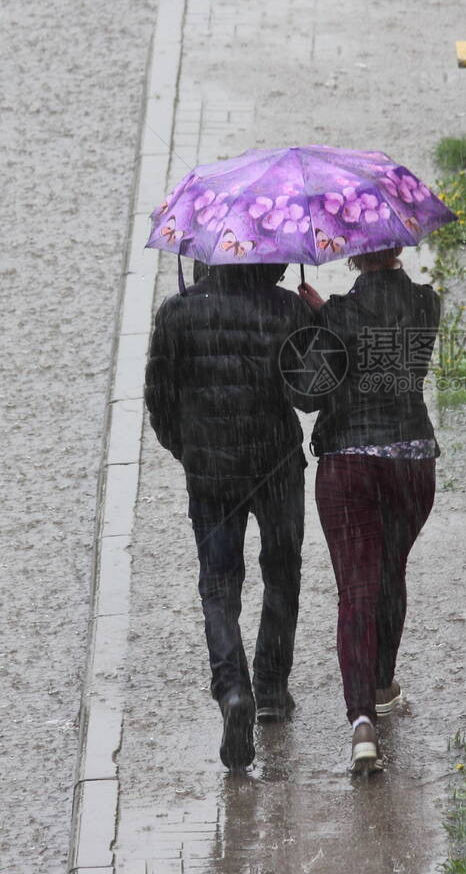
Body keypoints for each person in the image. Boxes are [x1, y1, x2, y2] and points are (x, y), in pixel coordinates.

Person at [144, 261, 313, 770]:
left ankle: (234, 690)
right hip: (277, 466)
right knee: (281, 573)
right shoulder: (287, 309)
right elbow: (311, 396)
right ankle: (273, 688)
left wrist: (193, 451)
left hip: (212, 474)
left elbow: (159, 399)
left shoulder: (177, 313)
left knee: (219, 584)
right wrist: (311, 323)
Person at [298, 246, 440, 772]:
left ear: (353, 253)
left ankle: (362, 723)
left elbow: (310, 394)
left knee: (356, 591)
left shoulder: (337, 314)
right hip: (412, 462)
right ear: (398, 247)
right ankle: (382, 683)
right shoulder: (429, 304)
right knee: (391, 573)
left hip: (349, 466)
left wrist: (318, 323)